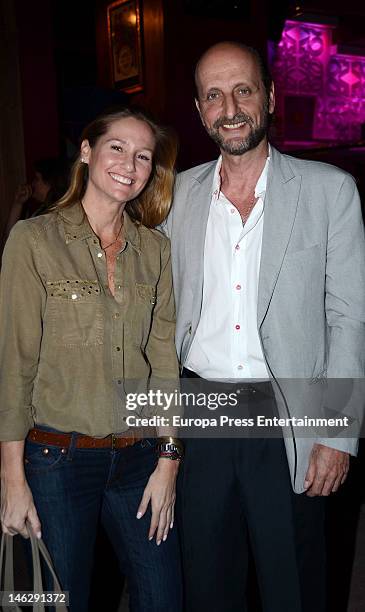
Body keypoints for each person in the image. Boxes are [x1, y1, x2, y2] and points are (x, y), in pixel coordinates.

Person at [164, 42, 365, 611]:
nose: (230, 107)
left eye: (243, 90)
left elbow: (349, 317)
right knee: (206, 583)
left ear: (270, 96)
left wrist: (336, 432)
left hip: (290, 412)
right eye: (214, 95)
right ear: (201, 110)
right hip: (201, 413)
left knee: (293, 586)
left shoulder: (331, 192)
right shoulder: (174, 197)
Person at [0, 107, 183, 611]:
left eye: (143, 155)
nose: (130, 163)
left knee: (164, 596)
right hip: (56, 459)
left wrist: (169, 459)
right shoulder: (33, 241)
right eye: (117, 147)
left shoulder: (156, 250)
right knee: (55, 601)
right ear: (87, 152)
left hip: (139, 456)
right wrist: (11, 479)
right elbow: (14, 365)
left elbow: (164, 361)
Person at [3, 157, 70, 243]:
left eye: (37, 179)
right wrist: (18, 204)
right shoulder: (40, 211)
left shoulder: (52, 217)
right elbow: (10, 241)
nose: (33, 183)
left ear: (50, 183)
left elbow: (10, 241)